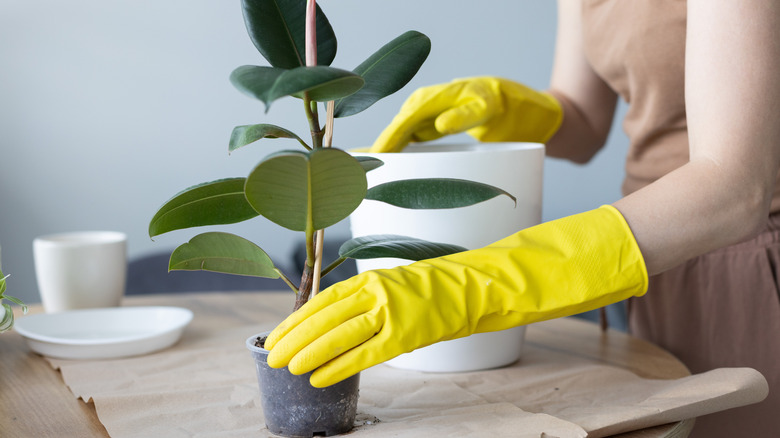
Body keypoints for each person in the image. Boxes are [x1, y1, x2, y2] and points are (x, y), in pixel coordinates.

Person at [265, 1, 780, 436]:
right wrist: (502, 107)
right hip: (649, 258)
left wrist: (471, 284)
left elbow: (735, 190)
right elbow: (583, 120)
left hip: (748, 262)